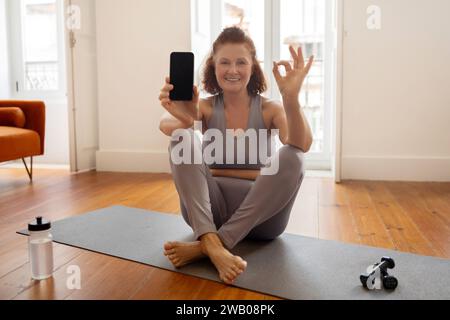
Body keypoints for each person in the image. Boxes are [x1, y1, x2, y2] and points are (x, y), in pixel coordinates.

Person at [158, 27, 314, 285]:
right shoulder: (206, 106)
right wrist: (182, 117)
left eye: (241, 62)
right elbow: (165, 125)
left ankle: (209, 245)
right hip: (208, 213)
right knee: (182, 137)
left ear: (253, 67)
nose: (233, 70)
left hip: (262, 220)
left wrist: (292, 99)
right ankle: (212, 241)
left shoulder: (270, 108)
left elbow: (301, 143)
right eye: (225, 62)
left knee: (294, 156)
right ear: (214, 67)